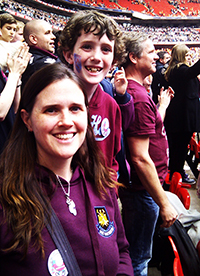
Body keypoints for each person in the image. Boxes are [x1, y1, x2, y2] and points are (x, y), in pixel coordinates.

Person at [0, 62, 134, 276]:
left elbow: (122, 252)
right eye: (51, 110)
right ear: (27, 120)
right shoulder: (5, 197)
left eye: (75, 109)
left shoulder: (101, 182)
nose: (66, 121)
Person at [118, 32, 178, 276]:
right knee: (139, 260)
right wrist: (163, 202)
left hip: (143, 191)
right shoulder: (139, 97)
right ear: (133, 57)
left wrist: (162, 106)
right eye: (151, 51)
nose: (157, 56)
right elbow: (140, 157)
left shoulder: (138, 92)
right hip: (143, 193)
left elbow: (150, 132)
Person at [58, 10, 134, 177]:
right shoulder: (52, 101)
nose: (96, 57)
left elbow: (112, 160)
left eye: (106, 49)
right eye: (87, 47)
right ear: (69, 55)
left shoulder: (110, 104)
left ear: (114, 61)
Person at [164, 43, 200, 184]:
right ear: (181, 55)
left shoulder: (174, 69)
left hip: (179, 116)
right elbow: (192, 72)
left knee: (178, 147)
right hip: (183, 117)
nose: (189, 56)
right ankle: (177, 174)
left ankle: (176, 172)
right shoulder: (180, 69)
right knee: (179, 148)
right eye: (187, 54)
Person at [0, 43, 31, 153]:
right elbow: (1, 112)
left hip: (7, 146)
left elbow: (14, 108)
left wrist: (17, 78)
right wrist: (14, 74)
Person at [21, 19, 57, 90]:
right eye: (47, 33)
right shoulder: (43, 65)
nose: (53, 37)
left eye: (52, 33)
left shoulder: (28, 58)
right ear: (33, 39)